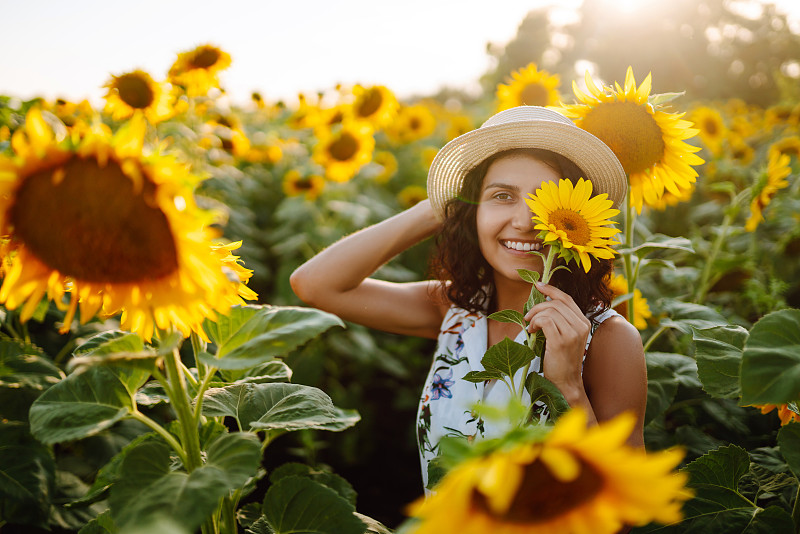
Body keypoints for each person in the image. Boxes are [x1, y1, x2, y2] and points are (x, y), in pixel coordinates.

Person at [290, 106, 647, 491]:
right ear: (471, 212)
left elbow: (625, 510)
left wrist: (567, 385)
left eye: (548, 200)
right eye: (502, 196)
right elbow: (314, 284)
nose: (526, 221)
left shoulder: (607, 339)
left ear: (580, 219)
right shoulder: (458, 309)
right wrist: (442, 203)